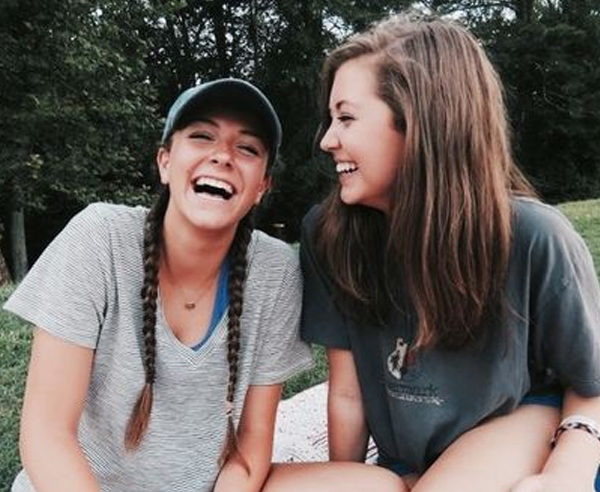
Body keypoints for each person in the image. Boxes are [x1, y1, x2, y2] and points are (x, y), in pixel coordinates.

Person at [287, 13, 600, 492]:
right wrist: (349, 480)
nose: (327, 140)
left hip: (523, 427)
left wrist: (566, 474)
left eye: (346, 118)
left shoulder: (535, 236)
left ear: (421, 122)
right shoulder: (330, 233)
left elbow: (591, 384)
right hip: (405, 464)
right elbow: (348, 393)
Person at [4, 78, 313, 491]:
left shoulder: (275, 270)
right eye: (202, 136)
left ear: (262, 186)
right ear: (165, 162)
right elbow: (46, 434)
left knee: (377, 486)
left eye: (247, 148)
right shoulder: (100, 237)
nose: (223, 156)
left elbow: (252, 442)